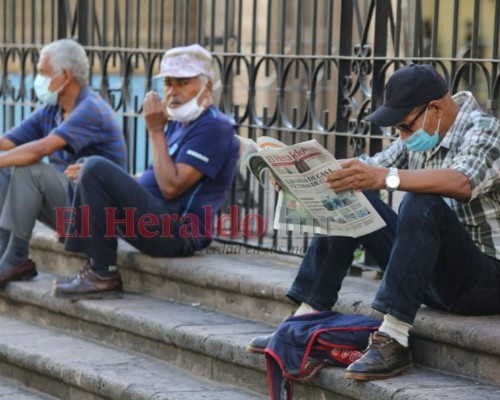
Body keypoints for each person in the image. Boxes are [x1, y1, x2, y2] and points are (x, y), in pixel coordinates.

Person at [248, 63, 500, 381]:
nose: (402, 136)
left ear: (435, 108)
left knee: (421, 199)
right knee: (351, 193)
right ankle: (300, 326)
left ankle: (392, 339)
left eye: (406, 127)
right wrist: (309, 174)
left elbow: (463, 181)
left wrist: (387, 178)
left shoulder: (485, 130)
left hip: (485, 281)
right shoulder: (420, 131)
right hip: (434, 278)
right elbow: (370, 167)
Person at [53, 44, 240, 300]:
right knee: (88, 167)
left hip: (178, 233)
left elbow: (171, 187)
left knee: (96, 167)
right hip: (156, 221)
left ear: (207, 86)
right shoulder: (179, 124)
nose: (172, 92)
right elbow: (151, 183)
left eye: (183, 83)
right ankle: (92, 263)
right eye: (168, 84)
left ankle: (103, 274)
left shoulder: (214, 128)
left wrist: (154, 131)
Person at [0, 38, 127, 287]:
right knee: (4, 171)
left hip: (101, 218)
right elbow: (7, 143)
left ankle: (16, 257)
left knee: (30, 170)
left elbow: (42, 148)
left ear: (65, 76)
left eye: (42, 72)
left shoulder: (90, 109)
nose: (37, 79)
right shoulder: (54, 108)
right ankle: (4, 251)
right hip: (72, 209)